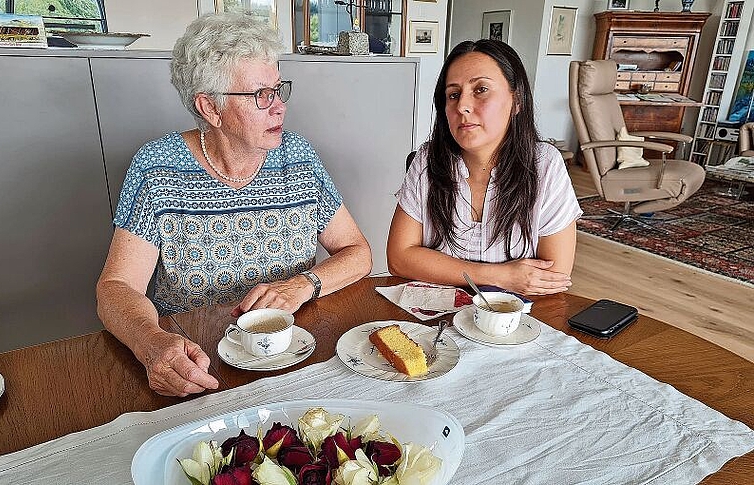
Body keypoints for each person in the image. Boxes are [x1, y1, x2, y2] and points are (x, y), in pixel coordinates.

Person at [96, 12, 372, 397]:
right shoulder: (157, 168)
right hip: (198, 362)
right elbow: (115, 287)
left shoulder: (298, 157)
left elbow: (358, 253)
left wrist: (302, 286)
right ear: (210, 108)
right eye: (261, 95)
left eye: (278, 89)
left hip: (292, 355)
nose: (279, 107)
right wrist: (150, 343)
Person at [387, 39, 581, 296]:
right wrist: (502, 276)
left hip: (514, 323)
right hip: (434, 317)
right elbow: (399, 258)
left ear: (517, 100)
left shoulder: (545, 165)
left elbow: (551, 278)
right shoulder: (428, 160)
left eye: (480, 90)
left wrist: (441, 268)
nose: (462, 106)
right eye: (453, 94)